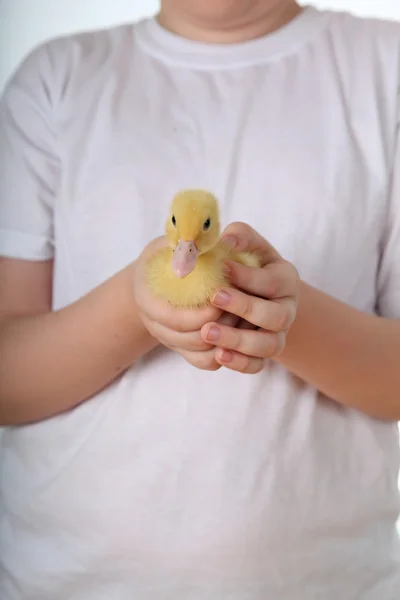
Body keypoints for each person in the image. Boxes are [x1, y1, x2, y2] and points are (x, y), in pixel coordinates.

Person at [0, 0, 400, 597]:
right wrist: (135, 307)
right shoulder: (57, 79)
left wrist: (286, 316)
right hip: (67, 581)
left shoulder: (385, 69)